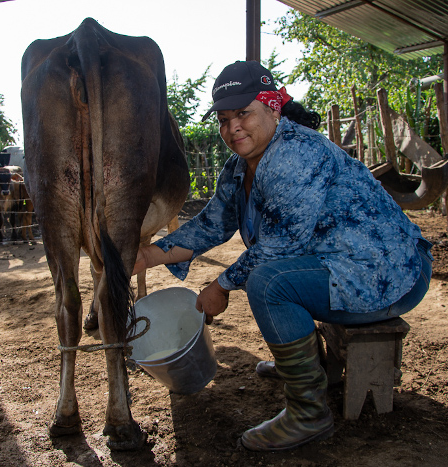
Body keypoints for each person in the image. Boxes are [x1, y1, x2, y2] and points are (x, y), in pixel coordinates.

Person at [133, 61, 432, 451]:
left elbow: (280, 244)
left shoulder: (295, 153)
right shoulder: (239, 167)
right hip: (338, 265)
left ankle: (309, 413)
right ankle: (303, 367)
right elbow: (212, 224)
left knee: (268, 282)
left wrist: (220, 286)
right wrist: (147, 256)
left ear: (273, 108)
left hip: (385, 273)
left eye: (244, 113)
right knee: (270, 275)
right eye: (224, 119)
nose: (232, 127)